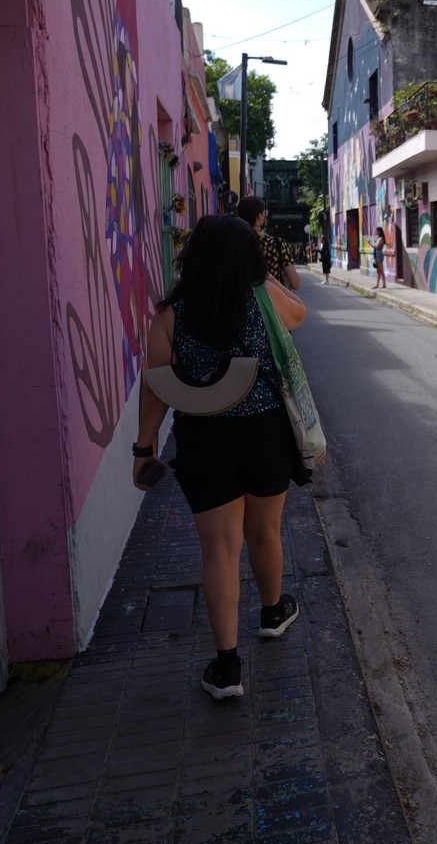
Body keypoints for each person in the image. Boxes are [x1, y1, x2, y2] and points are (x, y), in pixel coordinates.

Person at [133, 214, 309, 699]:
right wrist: (264, 272)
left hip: (204, 439)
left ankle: (227, 667)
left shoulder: (171, 314)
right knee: (264, 531)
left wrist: (143, 449)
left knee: (219, 550)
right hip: (265, 433)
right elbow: (300, 311)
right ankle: (273, 613)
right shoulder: (261, 298)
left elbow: (155, 390)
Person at [236, 195, 301, 291]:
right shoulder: (276, 244)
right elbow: (295, 284)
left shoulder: (234, 243)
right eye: (264, 213)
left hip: (242, 302)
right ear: (258, 217)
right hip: (273, 302)